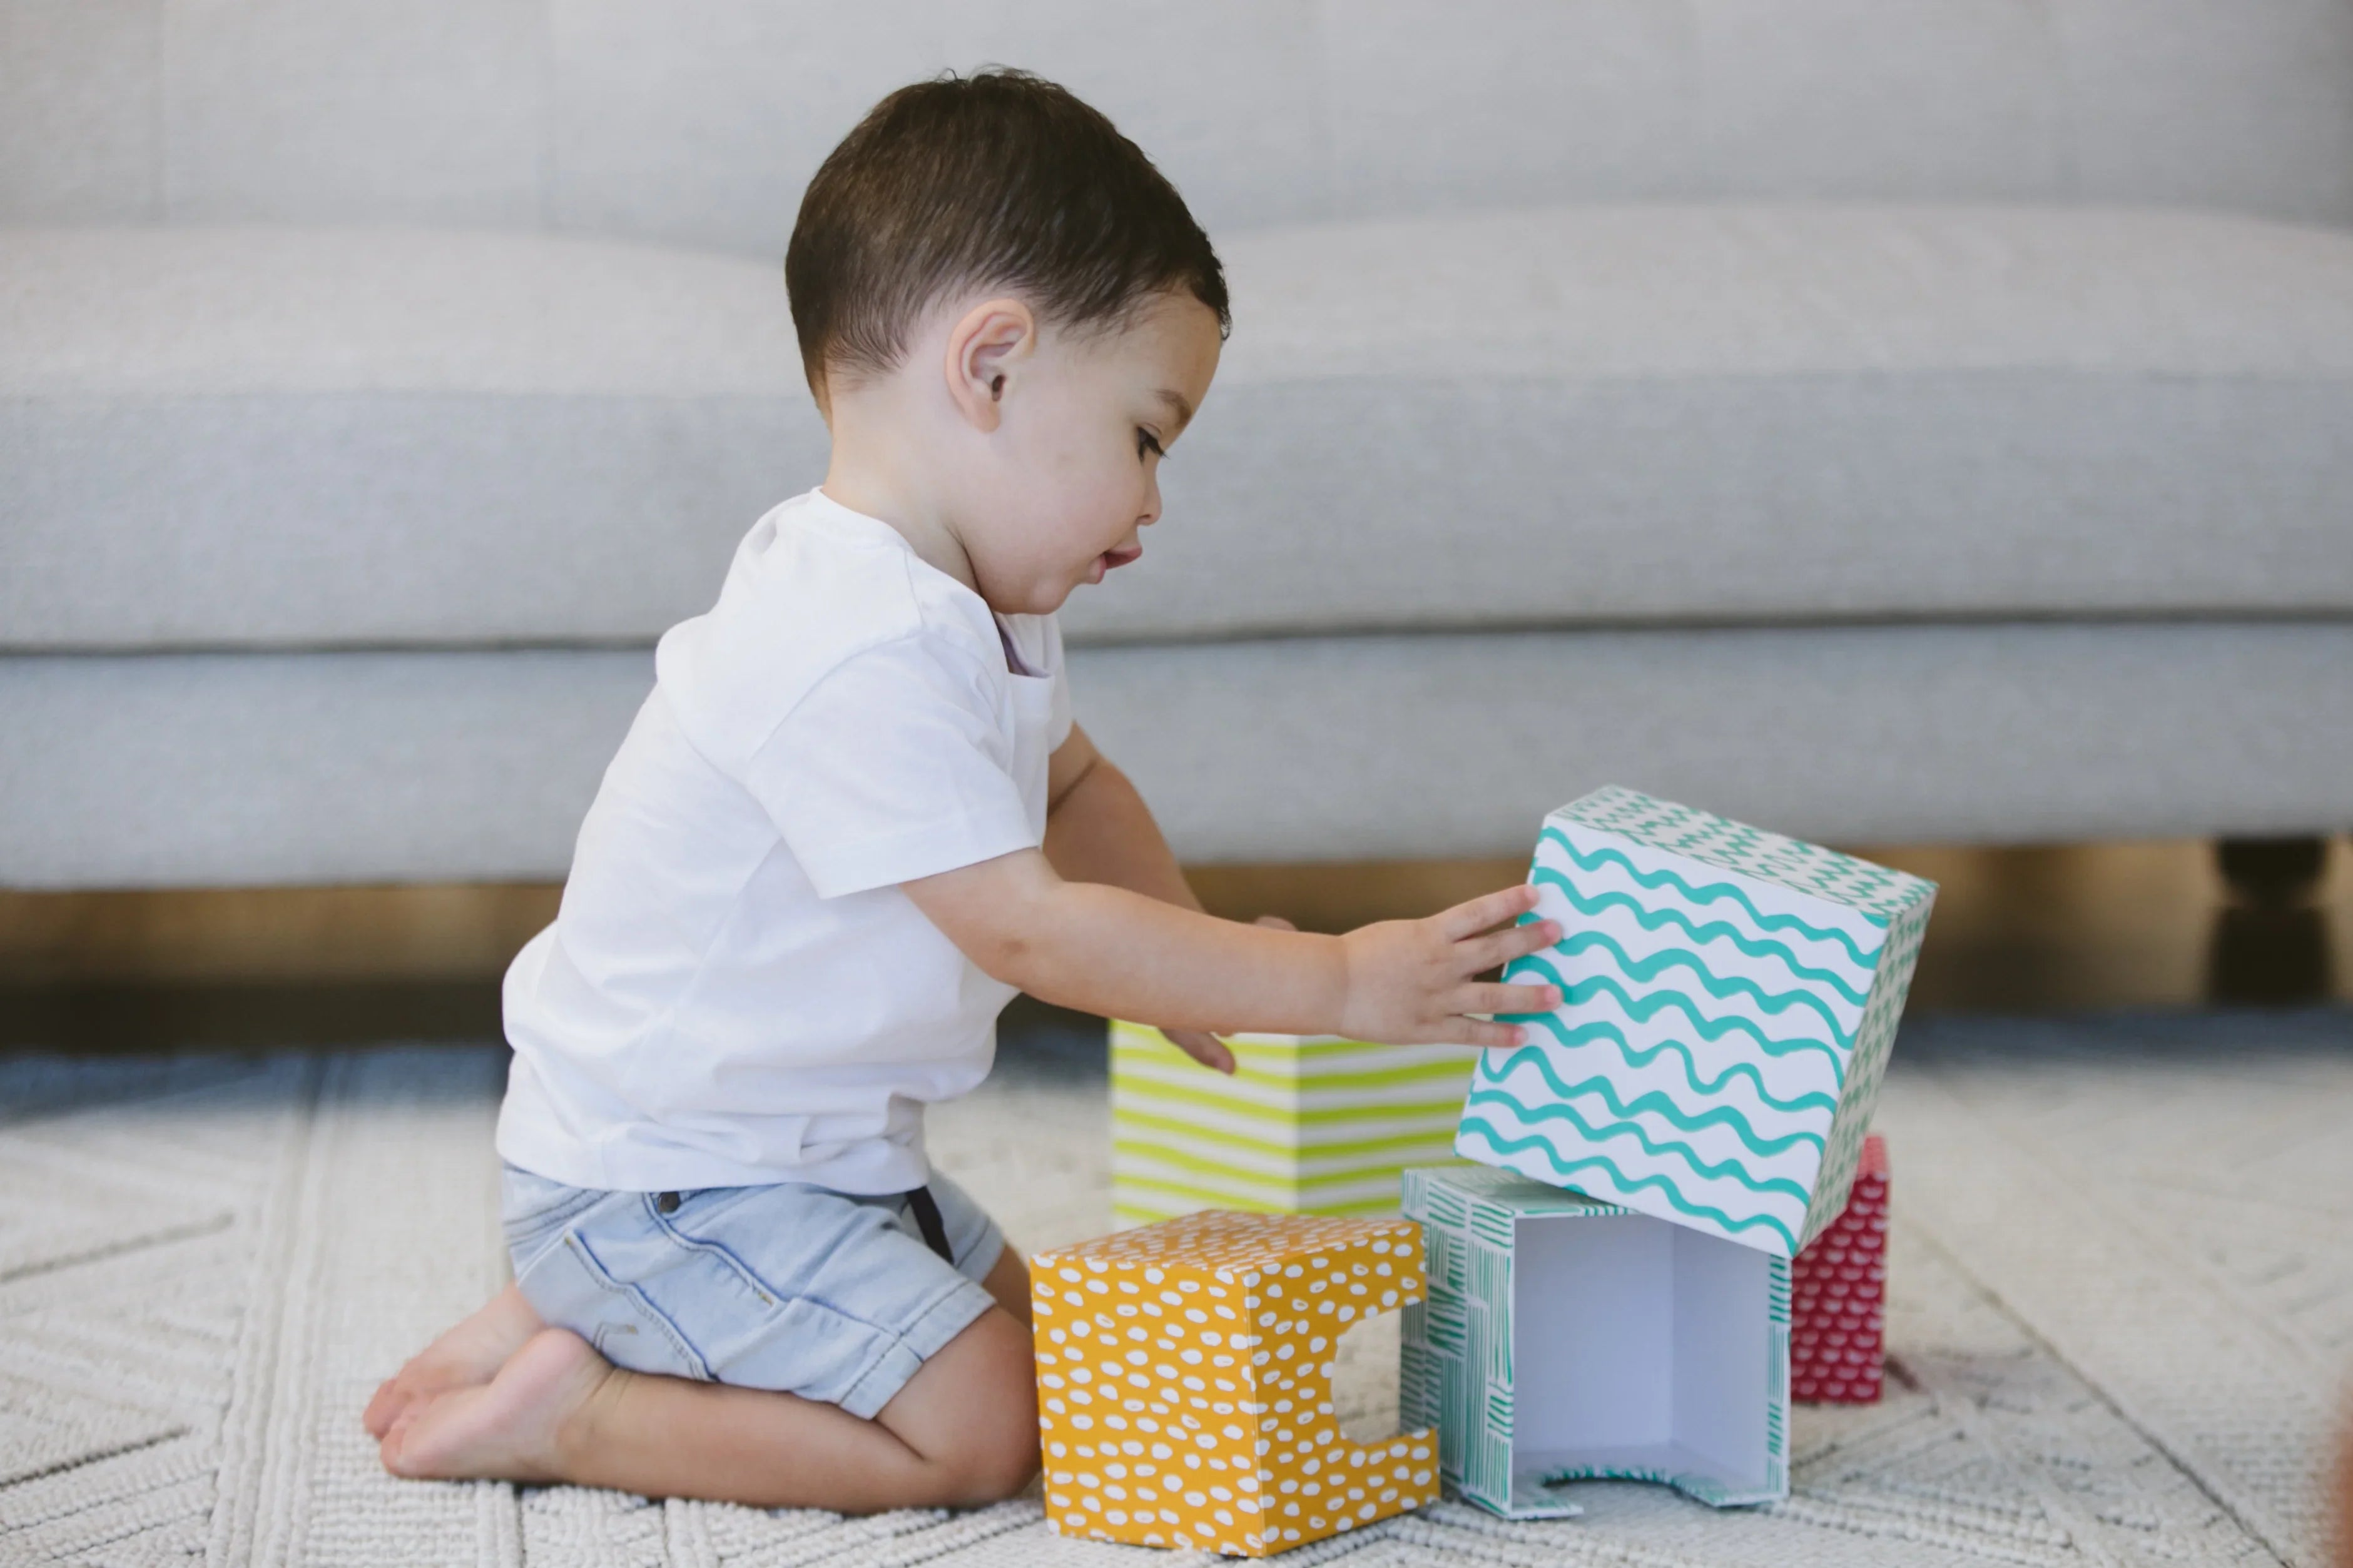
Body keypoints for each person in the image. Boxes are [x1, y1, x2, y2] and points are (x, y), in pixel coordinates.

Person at [361, 68, 1562, 1512]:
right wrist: (1333, 981)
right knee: (992, 1432)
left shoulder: (977, 606)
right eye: (1145, 436)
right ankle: (582, 1409)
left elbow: (1078, 789)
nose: (1155, 504)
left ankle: (594, 1309)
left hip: (823, 1162)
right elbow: (1030, 931)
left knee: (1072, 1352)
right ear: (990, 369)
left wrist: (1182, 956)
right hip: (668, 1179)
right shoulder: (849, 636)